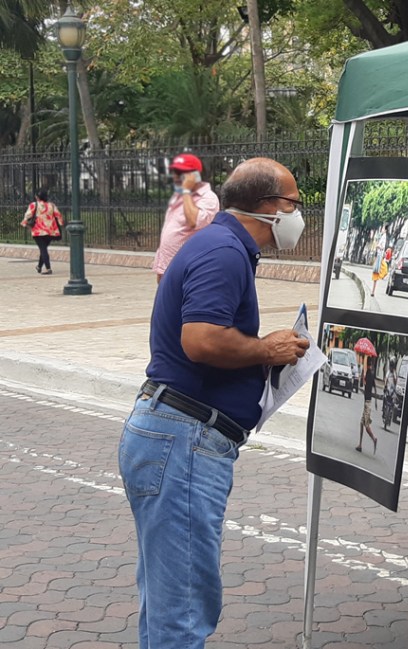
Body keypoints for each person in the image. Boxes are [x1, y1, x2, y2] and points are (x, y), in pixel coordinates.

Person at [118, 157, 310, 649]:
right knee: (182, 610)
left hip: (173, 433)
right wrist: (267, 349)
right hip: (183, 439)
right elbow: (201, 340)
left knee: (169, 601)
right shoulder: (224, 250)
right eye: (295, 203)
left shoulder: (219, 245)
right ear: (270, 207)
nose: (298, 214)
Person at [153, 153, 221, 283]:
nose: (175, 176)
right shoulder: (179, 196)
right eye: (174, 172)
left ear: (195, 175)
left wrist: (186, 191)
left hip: (187, 266)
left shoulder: (207, 197)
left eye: (180, 173)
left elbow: (194, 221)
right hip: (166, 263)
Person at [20, 189, 63, 275]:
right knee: (43, 249)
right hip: (51, 231)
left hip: (38, 231)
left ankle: (48, 268)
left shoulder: (34, 205)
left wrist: (24, 223)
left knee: (43, 249)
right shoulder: (52, 205)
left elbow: (28, 215)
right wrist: (61, 223)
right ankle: (39, 266)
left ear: (37, 197)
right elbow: (58, 215)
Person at [357, 355, 379, 453]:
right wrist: (376, 402)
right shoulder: (372, 374)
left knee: (366, 426)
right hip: (368, 403)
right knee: (361, 423)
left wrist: (363, 374)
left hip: (367, 403)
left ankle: (374, 438)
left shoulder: (368, 374)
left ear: (367, 364)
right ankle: (360, 445)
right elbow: (374, 388)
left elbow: (363, 383)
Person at [370, 230, 387, 296]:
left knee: (384, 270)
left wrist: (379, 247)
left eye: (383, 228)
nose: (381, 230)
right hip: (379, 257)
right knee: (375, 274)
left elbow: (382, 247)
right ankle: (373, 291)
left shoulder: (384, 237)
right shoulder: (382, 236)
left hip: (380, 257)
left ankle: (373, 291)